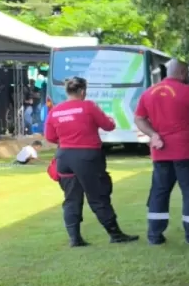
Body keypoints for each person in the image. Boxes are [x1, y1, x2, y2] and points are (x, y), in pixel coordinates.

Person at [44, 76, 139, 247]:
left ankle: (75, 238)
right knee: (98, 196)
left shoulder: (55, 111)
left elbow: (50, 137)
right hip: (87, 156)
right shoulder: (88, 106)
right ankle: (115, 234)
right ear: (82, 91)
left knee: (71, 199)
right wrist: (111, 120)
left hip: (64, 157)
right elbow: (108, 125)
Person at [134, 60, 189, 245]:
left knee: (159, 192)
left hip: (160, 153)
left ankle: (154, 235)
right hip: (185, 152)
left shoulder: (148, 93)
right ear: (183, 73)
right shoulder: (188, 91)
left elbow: (139, 119)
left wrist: (153, 134)